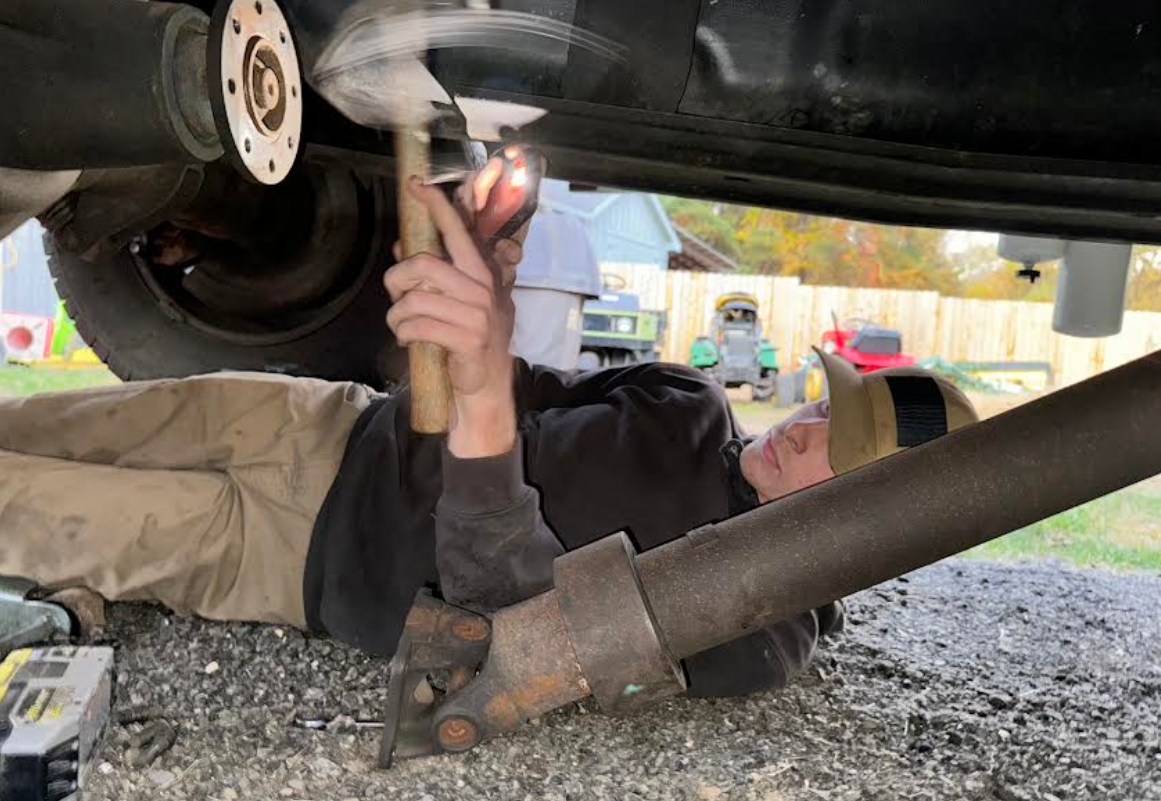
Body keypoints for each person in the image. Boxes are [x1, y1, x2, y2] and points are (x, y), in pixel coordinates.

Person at [0, 166, 978, 698]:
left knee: (24, 507)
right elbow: (503, 377)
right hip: (317, 422)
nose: (803, 432)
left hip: (284, 552)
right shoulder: (690, 403)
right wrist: (481, 273)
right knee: (35, 426)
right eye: (820, 407)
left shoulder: (757, 630)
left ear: (872, 530)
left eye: (835, 451)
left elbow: (511, 632)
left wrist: (479, 408)